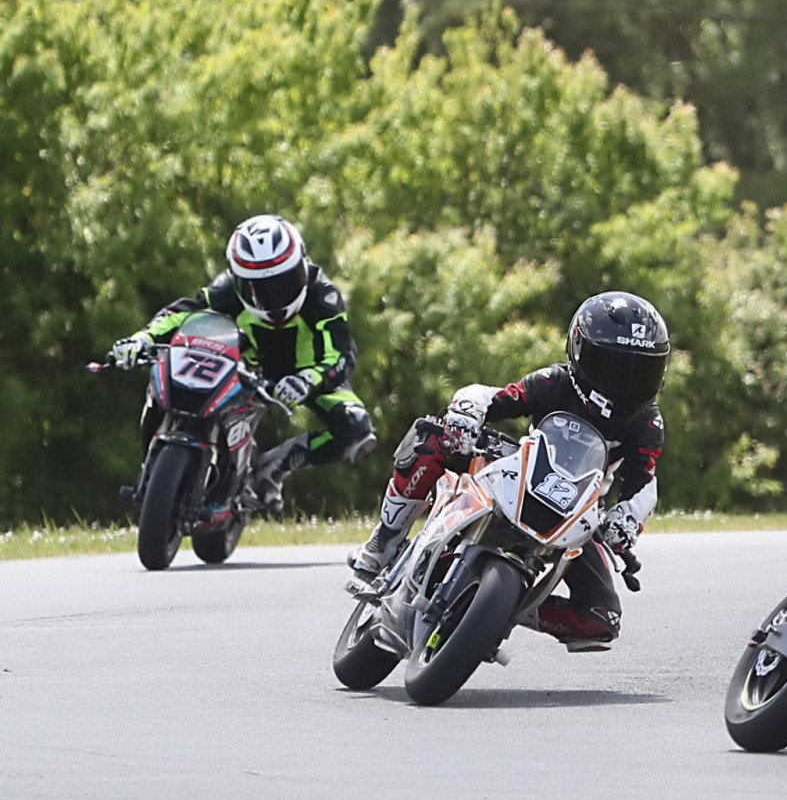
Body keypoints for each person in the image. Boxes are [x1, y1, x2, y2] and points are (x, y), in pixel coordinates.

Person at [348, 291, 670, 652]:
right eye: (614, 368)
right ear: (580, 350)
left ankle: (504, 612)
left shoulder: (647, 423)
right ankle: (386, 539)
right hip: (522, 471)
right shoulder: (554, 382)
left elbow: (644, 483)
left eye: (641, 373)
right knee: (434, 438)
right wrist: (466, 414)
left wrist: (626, 519)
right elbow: (495, 397)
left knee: (601, 619)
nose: (625, 385)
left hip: (577, 510)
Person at [109, 214, 375, 510]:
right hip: (244, 368)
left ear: (302, 264)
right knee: (167, 379)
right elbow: (184, 311)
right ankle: (153, 465)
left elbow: (341, 354)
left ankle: (278, 464)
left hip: (308, 375)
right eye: (259, 289)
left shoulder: (323, 297)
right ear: (238, 280)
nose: (274, 298)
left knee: (356, 426)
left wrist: (307, 380)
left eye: (285, 282)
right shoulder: (226, 290)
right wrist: (142, 338)